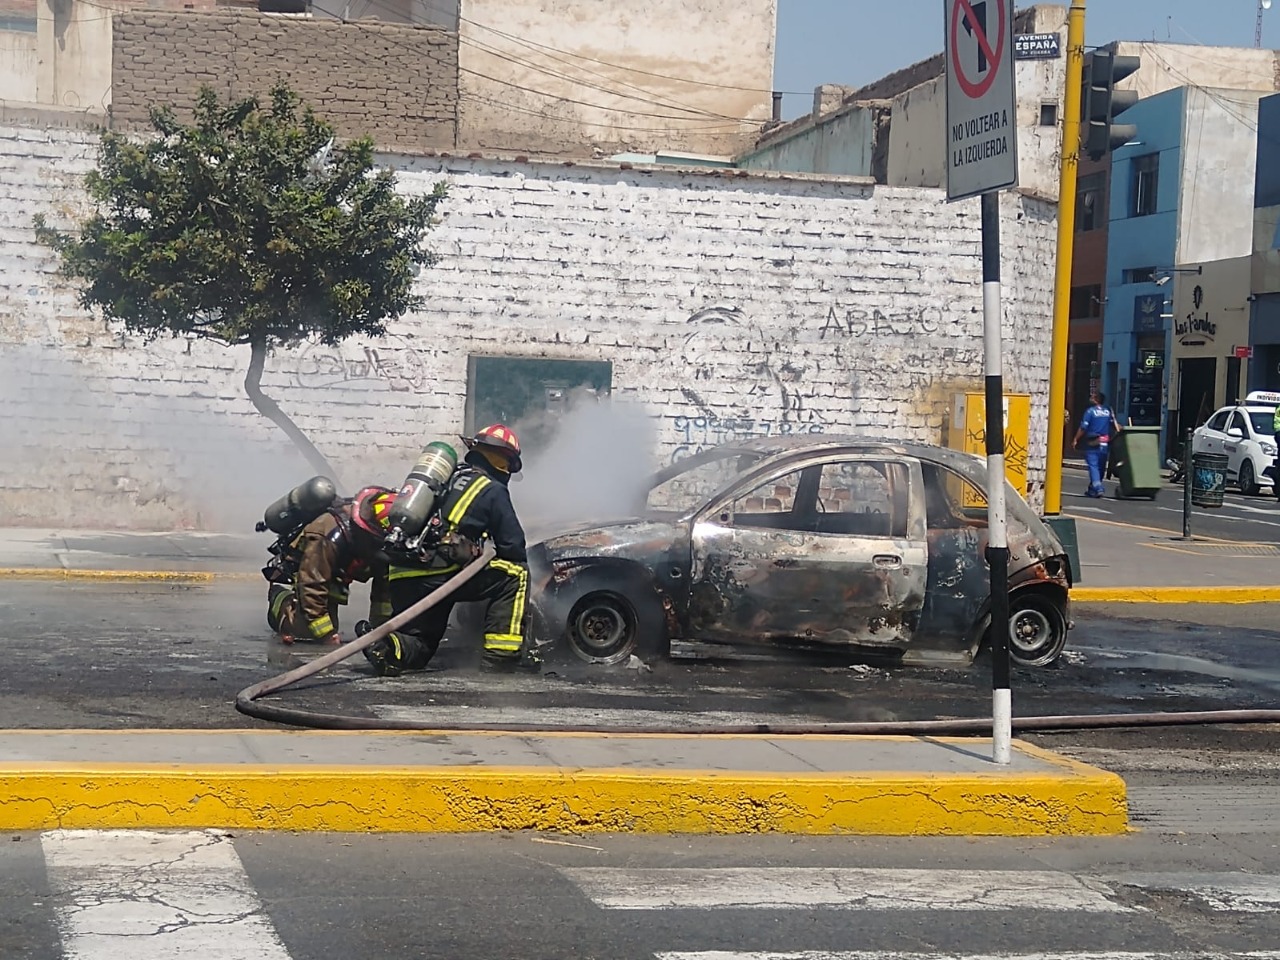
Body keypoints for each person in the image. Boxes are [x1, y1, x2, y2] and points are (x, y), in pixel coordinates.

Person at [363, 424, 534, 676]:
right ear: (503, 462)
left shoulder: (445, 479)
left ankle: (389, 646)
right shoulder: (492, 489)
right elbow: (514, 547)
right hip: (440, 572)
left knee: (421, 646)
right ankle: (501, 658)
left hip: (402, 571)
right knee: (517, 574)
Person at [265, 486, 399, 646]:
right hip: (308, 570)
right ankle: (280, 600)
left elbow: (385, 587)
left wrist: (382, 629)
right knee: (311, 631)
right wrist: (326, 635)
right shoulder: (327, 537)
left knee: (328, 614)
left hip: (337, 570)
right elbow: (312, 585)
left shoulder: (384, 534)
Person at [1072, 392, 1121, 499]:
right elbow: (1115, 426)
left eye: (1092, 397)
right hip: (1104, 442)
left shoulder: (1090, 411)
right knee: (1101, 466)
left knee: (1093, 465)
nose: (1090, 398)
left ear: (1096, 400)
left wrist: (1076, 439)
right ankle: (1092, 489)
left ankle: (1098, 487)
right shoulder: (1107, 411)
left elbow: (1083, 427)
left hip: (1092, 442)